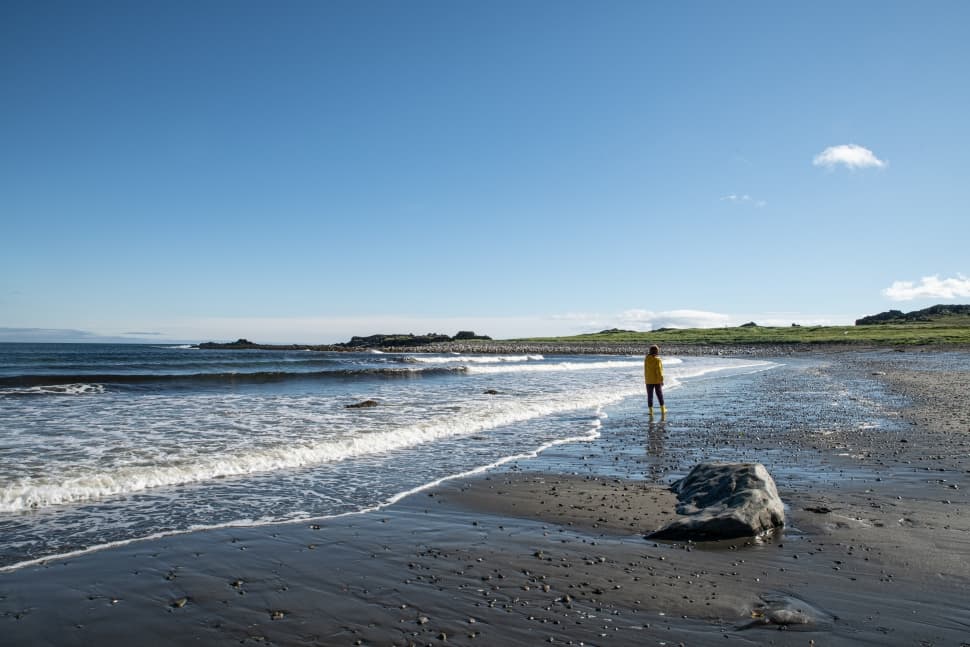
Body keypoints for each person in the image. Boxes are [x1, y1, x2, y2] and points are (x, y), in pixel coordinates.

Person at [644, 344, 666, 417]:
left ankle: (651, 411)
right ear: (657, 351)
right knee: (659, 394)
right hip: (656, 381)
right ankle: (663, 409)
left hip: (648, 380)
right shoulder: (658, 360)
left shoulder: (646, 359)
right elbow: (659, 371)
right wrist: (661, 380)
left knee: (650, 396)